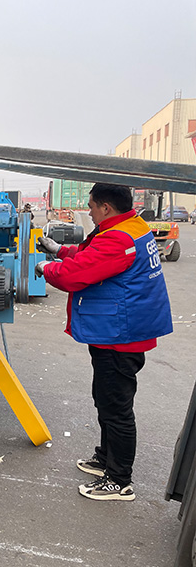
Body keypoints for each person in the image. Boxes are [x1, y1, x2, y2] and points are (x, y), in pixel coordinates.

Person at [36, 183, 173, 501]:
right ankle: (105, 459)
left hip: (120, 334)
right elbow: (91, 256)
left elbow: (75, 274)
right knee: (105, 399)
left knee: (116, 407)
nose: (89, 210)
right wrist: (59, 250)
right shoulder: (130, 225)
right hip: (116, 330)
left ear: (106, 207)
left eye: (92, 206)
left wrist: (47, 268)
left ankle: (119, 479)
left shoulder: (119, 238)